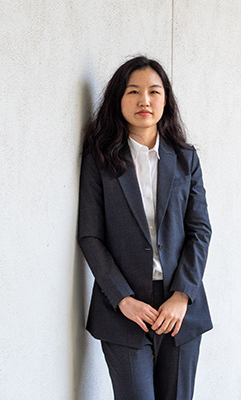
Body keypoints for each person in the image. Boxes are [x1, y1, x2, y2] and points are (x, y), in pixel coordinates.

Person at [78, 56, 212, 400]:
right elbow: (90, 236)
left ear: (166, 99)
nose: (144, 101)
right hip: (122, 307)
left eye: (154, 91)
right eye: (133, 92)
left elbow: (200, 231)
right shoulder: (100, 159)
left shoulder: (185, 158)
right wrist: (122, 298)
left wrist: (182, 295)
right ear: (117, 100)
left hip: (179, 305)